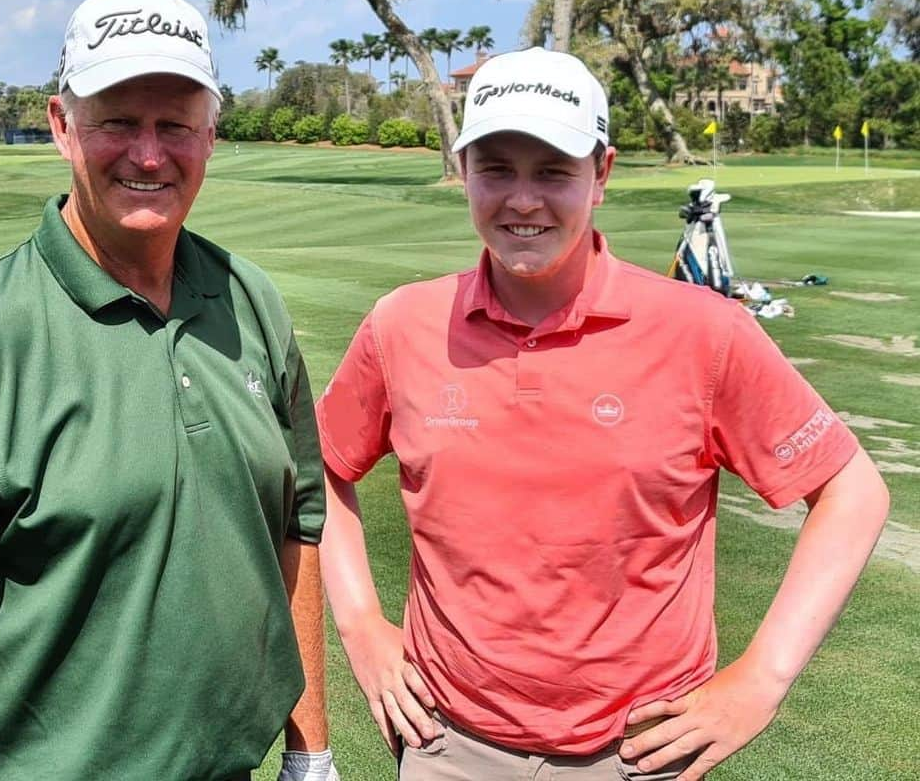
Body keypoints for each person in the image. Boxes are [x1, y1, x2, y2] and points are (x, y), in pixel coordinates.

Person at [317, 47, 889, 781]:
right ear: (464, 172)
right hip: (447, 744)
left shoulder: (702, 331)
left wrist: (763, 678)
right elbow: (321, 468)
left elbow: (851, 490)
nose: (523, 200)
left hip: (637, 754)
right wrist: (362, 626)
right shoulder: (403, 324)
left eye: (554, 171)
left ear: (603, 174)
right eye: (496, 168)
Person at [0, 0, 339, 781]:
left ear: (210, 135)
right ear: (62, 125)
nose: (148, 155)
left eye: (175, 125)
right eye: (118, 121)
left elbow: (296, 528)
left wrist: (310, 753)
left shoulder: (251, 300)